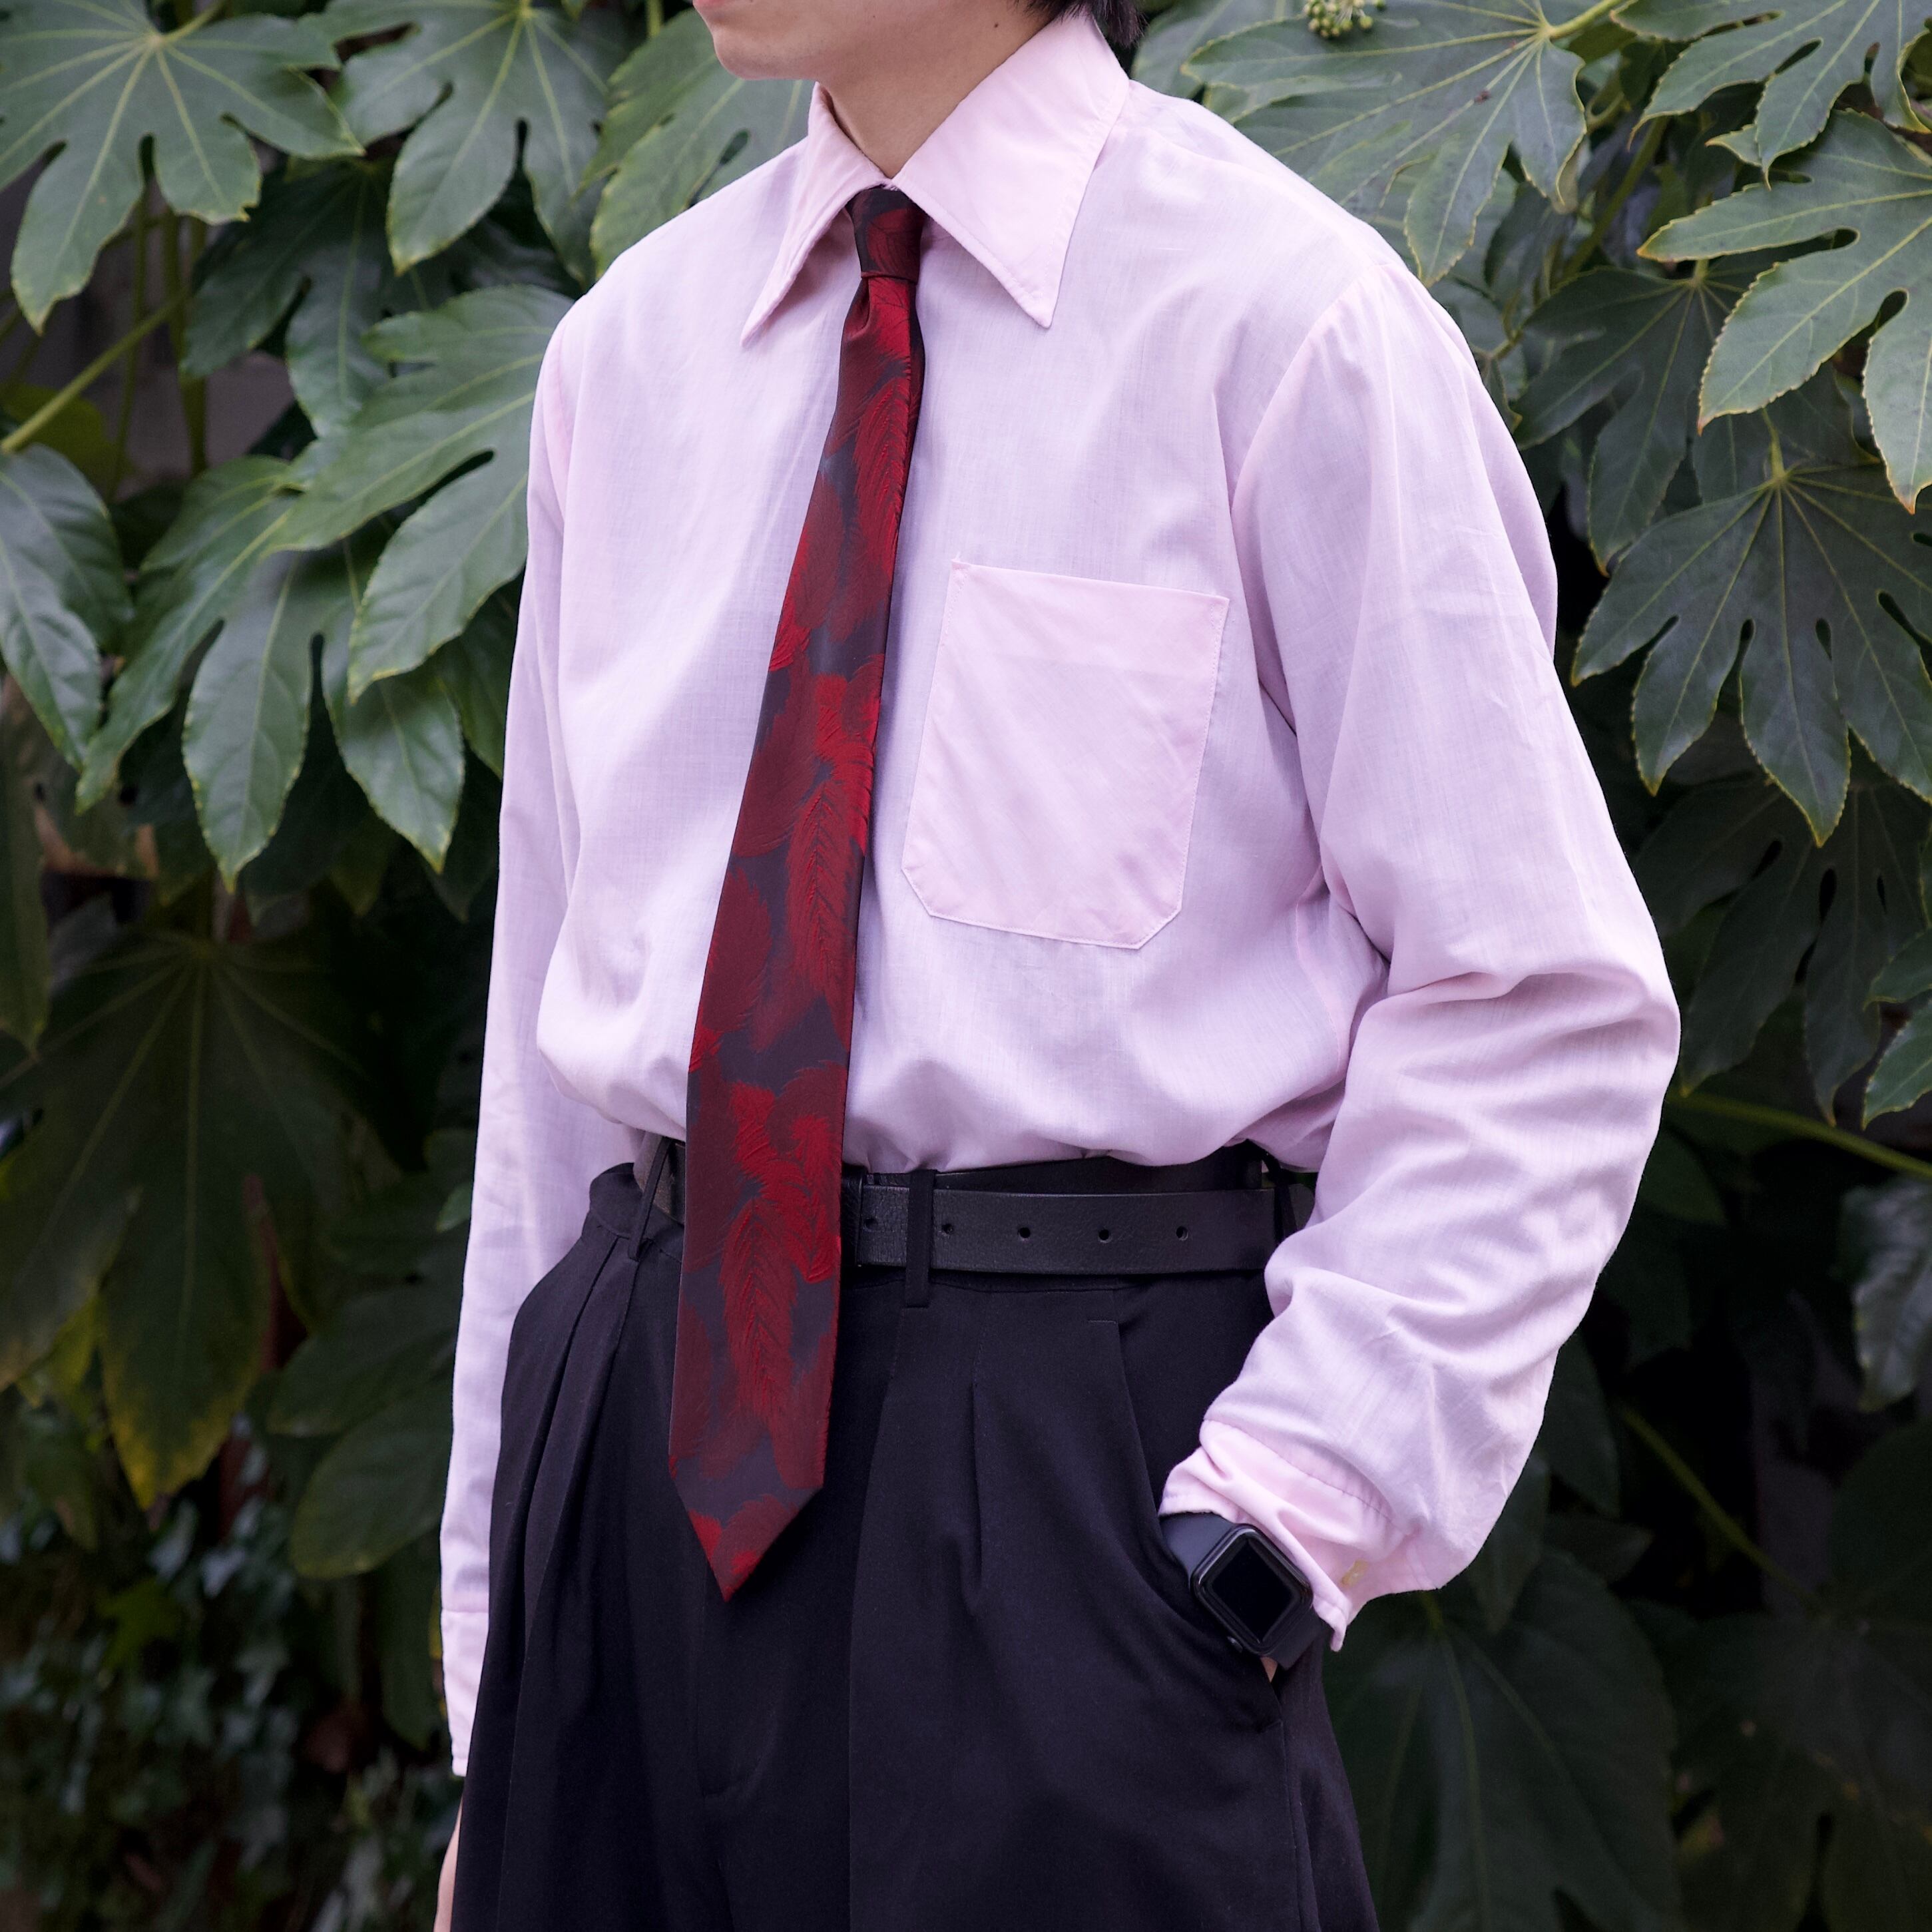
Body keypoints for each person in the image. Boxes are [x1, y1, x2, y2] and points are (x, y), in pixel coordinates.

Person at [432, 0, 1680, 1920]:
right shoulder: (630, 359)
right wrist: (499, 1689)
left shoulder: (1282, 327)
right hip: (633, 1454)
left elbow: (1540, 999)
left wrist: (1274, 1532)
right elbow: (547, 1061)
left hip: (1067, 1499)